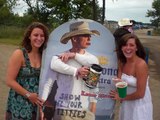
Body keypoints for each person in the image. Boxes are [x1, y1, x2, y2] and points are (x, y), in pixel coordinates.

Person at [41, 21, 102, 120]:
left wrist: (92, 112)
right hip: (63, 111)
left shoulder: (93, 60)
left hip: (84, 112)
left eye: (90, 35)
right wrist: (41, 105)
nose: (89, 38)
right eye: (86, 35)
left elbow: (94, 87)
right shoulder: (60, 58)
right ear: (74, 38)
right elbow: (48, 84)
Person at [5, 22, 49, 120]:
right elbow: (9, 81)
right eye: (36, 35)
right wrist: (29, 95)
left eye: (42, 36)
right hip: (20, 101)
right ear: (29, 36)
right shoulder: (19, 53)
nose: (39, 38)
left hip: (36, 102)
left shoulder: (44, 56)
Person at [109, 33, 153, 120]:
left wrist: (121, 97)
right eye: (125, 45)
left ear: (136, 48)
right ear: (121, 48)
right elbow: (120, 81)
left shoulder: (141, 65)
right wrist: (118, 84)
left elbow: (140, 94)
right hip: (126, 102)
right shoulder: (122, 61)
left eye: (131, 45)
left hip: (139, 105)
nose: (128, 48)